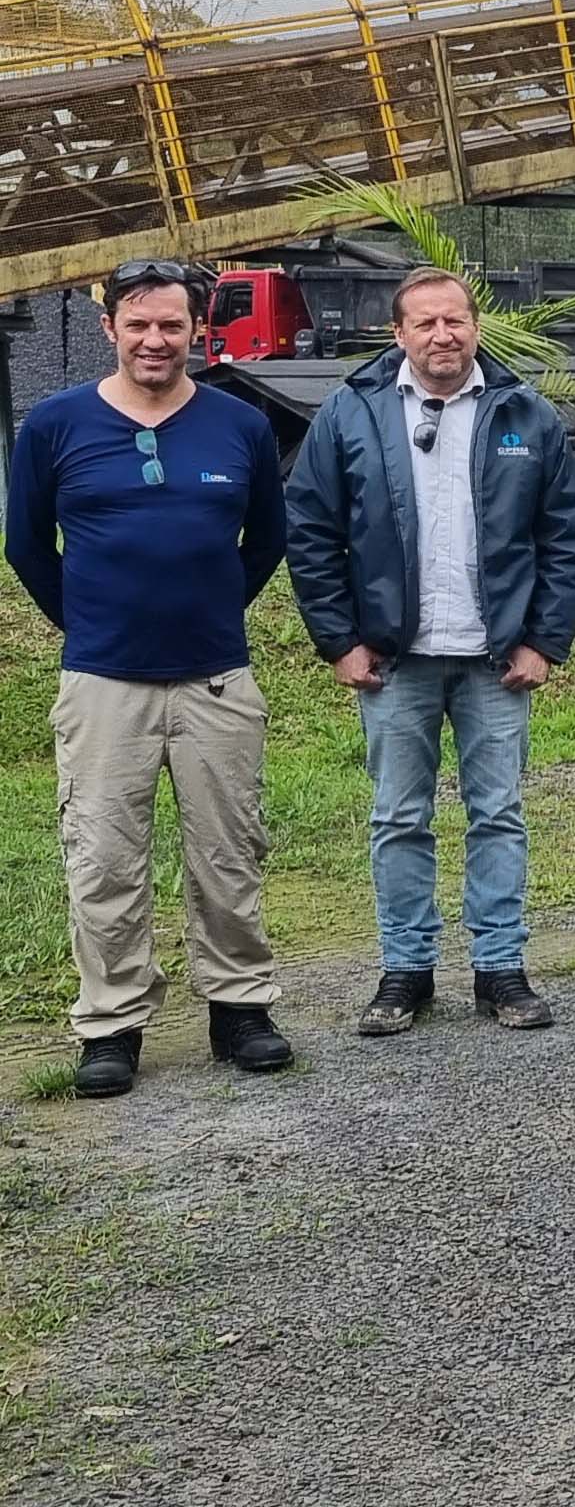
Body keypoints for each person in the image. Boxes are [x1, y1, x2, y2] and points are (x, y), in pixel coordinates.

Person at [6, 260, 290, 1098]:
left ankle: (239, 1006)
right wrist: (93, 626)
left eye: (171, 325)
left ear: (197, 330)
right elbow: (26, 547)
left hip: (215, 681)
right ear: (111, 330)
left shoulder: (238, 426)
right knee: (102, 857)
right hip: (103, 684)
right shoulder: (55, 425)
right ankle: (113, 1022)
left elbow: (265, 543)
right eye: (139, 326)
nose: (155, 341)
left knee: (229, 851)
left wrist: (205, 614)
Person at [286, 264, 575, 1037]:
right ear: (397, 334)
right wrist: (340, 641)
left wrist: (544, 641)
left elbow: (566, 537)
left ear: (476, 327)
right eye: (423, 323)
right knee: (398, 817)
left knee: (499, 814)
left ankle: (500, 970)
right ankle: (405, 972)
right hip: (395, 658)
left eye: (454, 320)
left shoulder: (523, 413)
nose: (441, 335)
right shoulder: (351, 414)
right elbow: (312, 532)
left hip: (497, 659)